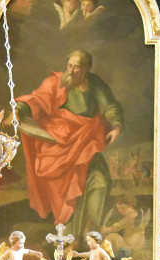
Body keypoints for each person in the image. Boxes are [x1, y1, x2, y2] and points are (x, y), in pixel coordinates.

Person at [14, 50, 123, 236]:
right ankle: (69, 240)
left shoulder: (95, 84)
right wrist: (19, 109)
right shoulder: (57, 82)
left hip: (87, 141)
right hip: (61, 146)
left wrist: (116, 126)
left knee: (101, 181)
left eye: (77, 67)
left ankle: (91, 233)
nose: (71, 70)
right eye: (69, 65)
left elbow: (109, 105)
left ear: (86, 69)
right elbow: (38, 99)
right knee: (70, 194)